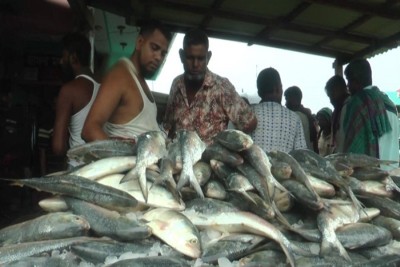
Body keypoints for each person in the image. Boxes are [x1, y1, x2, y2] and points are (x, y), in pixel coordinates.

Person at [82, 20, 172, 142]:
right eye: (154, 48)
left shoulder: (140, 80)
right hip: (127, 160)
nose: (158, 57)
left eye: (163, 53)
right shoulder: (120, 75)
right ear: (140, 42)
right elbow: (90, 130)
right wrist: (121, 156)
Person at [162, 28, 257, 144]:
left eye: (200, 58)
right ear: (181, 56)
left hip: (210, 160)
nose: (195, 64)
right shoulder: (176, 84)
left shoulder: (222, 87)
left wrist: (229, 144)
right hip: (178, 158)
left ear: (208, 57)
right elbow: (168, 125)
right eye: (190, 58)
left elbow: (250, 123)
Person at [339, 58, 399, 162]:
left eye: (349, 81)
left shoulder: (357, 105)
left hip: (370, 176)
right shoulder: (391, 105)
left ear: (356, 81)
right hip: (394, 174)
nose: (348, 86)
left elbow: (351, 152)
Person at [52, 32, 100, 156]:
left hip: (77, 168)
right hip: (100, 167)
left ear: (73, 57)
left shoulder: (69, 90)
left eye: (64, 56)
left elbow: (58, 147)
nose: (61, 62)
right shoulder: (103, 86)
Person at [250, 68, 307, 153]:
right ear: (278, 89)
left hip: (253, 166)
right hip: (285, 166)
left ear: (259, 92)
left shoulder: (247, 115)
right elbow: (301, 155)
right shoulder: (294, 118)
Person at [284, 86, 318, 152]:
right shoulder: (306, 115)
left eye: (287, 99)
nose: (285, 104)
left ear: (294, 99)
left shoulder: (295, 117)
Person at [324, 75, 350, 153]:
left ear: (340, 89)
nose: (330, 100)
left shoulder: (349, 107)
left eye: (332, 95)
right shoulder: (338, 110)